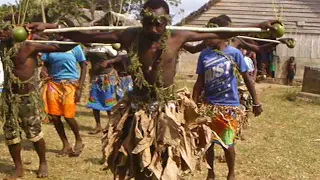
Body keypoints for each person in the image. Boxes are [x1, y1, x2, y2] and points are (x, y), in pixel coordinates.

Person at [27, 1, 274, 179]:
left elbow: (221, 32)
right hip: (137, 109)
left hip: (166, 110)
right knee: (134, 158)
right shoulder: (129, 35)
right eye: (149, 22)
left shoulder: (178, 36)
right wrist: (49, 27)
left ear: (167, 21)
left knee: (165, 159)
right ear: (141, 19)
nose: (154, 28)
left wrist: (258, 26)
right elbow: (88, 34)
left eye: (159, 23)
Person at [0, 23, 75, 179]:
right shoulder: (2, 47)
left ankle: (43, 162)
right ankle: (18, 168)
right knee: (11, 135)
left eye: (5, 29)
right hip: (9, 99)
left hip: (28, 98)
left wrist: (53, 26)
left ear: (15, 31)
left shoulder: (29, 46)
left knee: (34, 134)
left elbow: (65, 46)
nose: (2, 32)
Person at [192, 17, 263, 180]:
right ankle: (211, 173)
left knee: (227, 143)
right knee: (208, 142)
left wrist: (256, 102)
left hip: (229, 106)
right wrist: (193, 104)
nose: (206, 38)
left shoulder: (235, 53)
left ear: (221, 34)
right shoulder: (204, 54)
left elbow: (247, 79)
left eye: (210, 34)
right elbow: (199, 82)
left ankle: (231, 173)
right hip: (209, 106)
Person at [41, 21, 87, 157]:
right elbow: (45, 64)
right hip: (54, 84)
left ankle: (79, 139)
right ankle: (65, 144)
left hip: (70, 85)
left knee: (68, 115)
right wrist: (43, 71)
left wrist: (79, 86)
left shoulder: (74, 46)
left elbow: (84, 65)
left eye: (63, 28)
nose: (59, 31)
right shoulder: (51, 45)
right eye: (57, 28)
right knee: (54, 117)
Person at [86, 45, 124, 134]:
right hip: (95, 77)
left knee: (108, 101)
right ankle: (98, 125)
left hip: (106, 77)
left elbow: (119, 57)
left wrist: (109, 61)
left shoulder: (106, 47)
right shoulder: (88, 48)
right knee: (94, 100)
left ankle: (110, 125)